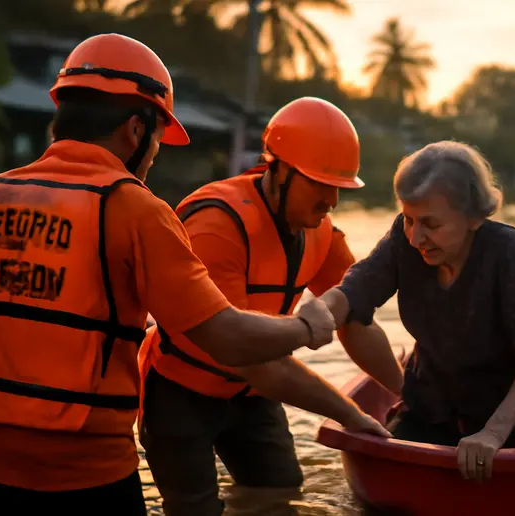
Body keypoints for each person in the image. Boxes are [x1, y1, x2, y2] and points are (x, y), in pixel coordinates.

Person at [0, 33, 339, 516]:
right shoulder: (133, 207)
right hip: (82, 473)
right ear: (135, 129)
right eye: (156, 139)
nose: (153, 154)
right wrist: (306, 327)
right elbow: (227, 339)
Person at [138, 96, 403, 516]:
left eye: (339, 188)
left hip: (250, 395)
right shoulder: (217, 224)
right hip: (180, 392)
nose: (331, 201)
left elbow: (358, 318)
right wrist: (351, 415)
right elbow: (249, 357)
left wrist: (408, 393)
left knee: (279, 497)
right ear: (277, 170)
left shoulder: (322, 232)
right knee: (194, 509)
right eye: (319, 183)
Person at [320, 140, 515, 484]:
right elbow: (355, 290)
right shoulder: (406, 237)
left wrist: (492, 434)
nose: (416, 237)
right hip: (438, 395)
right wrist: (313, 318)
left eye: (430, 224)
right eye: (409, 220)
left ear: (473, 216)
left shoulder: (508, 251)